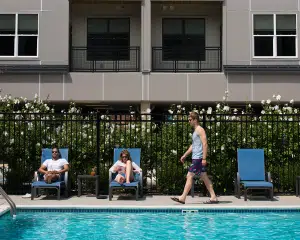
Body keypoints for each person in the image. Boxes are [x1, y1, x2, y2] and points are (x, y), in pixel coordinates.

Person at [171, 112, 218, 204]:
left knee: (189, 175)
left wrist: (204, 158)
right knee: (204, 176)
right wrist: (185, 155)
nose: (189, 121)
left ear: (195, 120)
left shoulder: (200, 130)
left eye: (190, 120)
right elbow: (193, 145)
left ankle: (182, 198)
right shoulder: (195, 131)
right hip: (196, 157)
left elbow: (205, 143)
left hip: (199, 158)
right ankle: (213, 197)